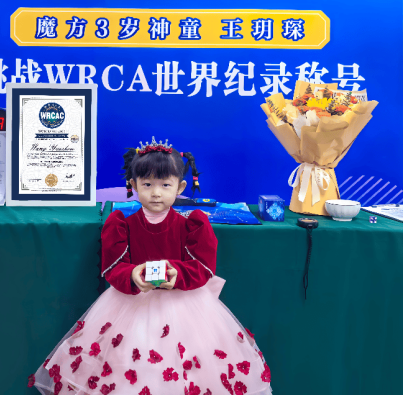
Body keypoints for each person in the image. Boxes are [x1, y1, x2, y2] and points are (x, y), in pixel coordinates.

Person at [29, 138, 272, 395]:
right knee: (130, 363)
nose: (156, 193)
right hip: (131, 307)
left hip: (185, 307)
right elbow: (113, 268)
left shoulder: (192, 224)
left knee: (188, 366)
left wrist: (178, 273)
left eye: (165, 185)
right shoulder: (121, 224)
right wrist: (132, 274)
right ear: (133, 185)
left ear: (180, 187)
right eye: (147, 184)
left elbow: (203, 267)